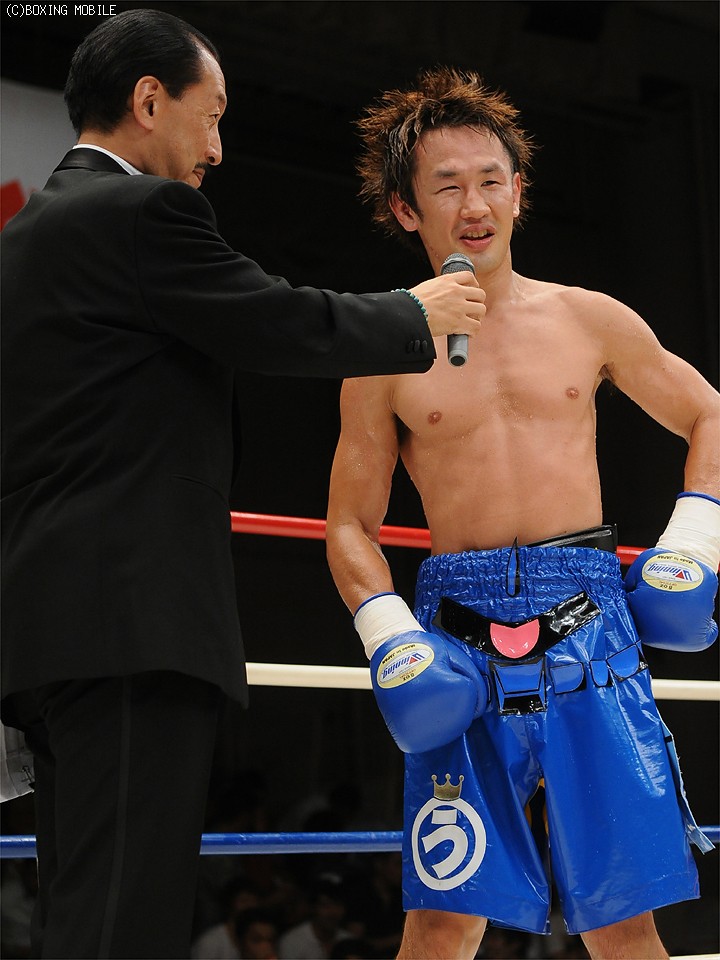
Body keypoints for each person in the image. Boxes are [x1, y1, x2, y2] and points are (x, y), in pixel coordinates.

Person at [0, 12, 485, 958]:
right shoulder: (139, 211)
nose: (218, 149)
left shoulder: (24, 237)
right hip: (129, 622)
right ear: (150, 100)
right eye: (212, 116)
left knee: (84, 906)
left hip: (48, 629)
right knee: (123, 917)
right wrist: (411, 312)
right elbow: (272, 318)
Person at [326, 67, 720, 959]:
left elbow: (709, 414)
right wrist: (388, 635)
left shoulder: (590, 319)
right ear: (405, 209)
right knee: (441, 922)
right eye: (447, 187)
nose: (474, 206)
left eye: (490, 181)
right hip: (458, 628)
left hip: (588, 615)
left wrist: (695, 543)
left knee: (623, 920)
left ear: (519, 191)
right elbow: (349, 524)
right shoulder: (381, 352)